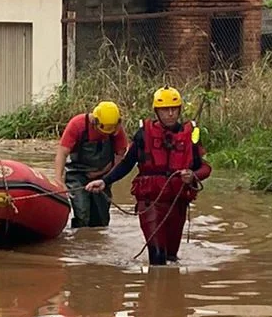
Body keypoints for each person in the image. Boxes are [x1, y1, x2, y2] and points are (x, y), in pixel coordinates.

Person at [86, 87, 210, 266]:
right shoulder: (144, 135)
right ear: (157, 112)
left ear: (179, 110)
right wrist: (105, 181)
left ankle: (170, 292)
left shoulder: (190, 136)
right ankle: (154, 291)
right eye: (165, 110)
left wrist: (193, 176)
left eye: (174, 109)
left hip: (177, 203)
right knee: (158, 258)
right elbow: (127, 163)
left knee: (171, 257)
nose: (170, 114)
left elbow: (205, 168)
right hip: (151, 203)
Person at [54, 101, 127, 229]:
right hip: (78, 175)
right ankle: (80, 241)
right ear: (95, 122)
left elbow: (120, 156)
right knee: (82, 213)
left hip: (104, 176)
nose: (106, 135)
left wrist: (106, 174)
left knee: (101, 220)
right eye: (103, 131)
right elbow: (62, 153)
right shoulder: (77, 125)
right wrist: (58, 180)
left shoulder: (116, 128)